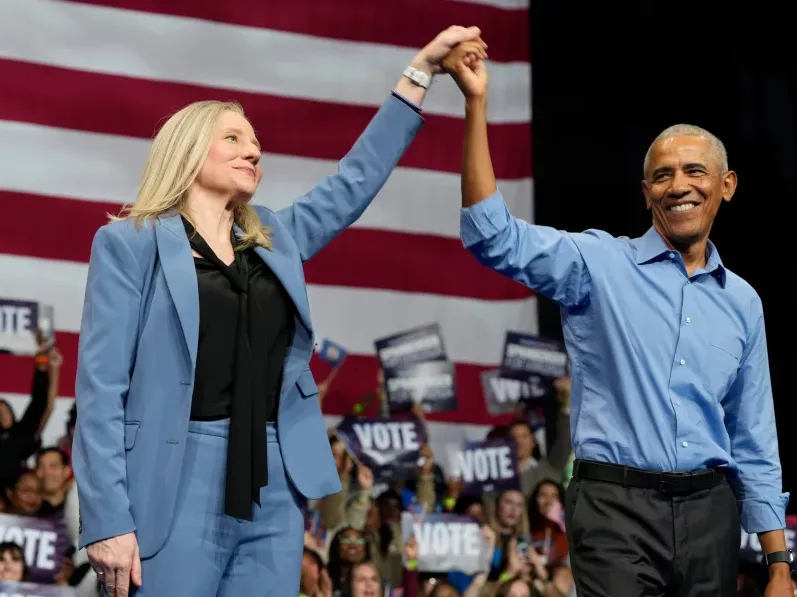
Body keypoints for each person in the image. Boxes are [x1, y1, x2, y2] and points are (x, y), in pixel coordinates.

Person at [72, 26, 488, 597]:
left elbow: (353, 182)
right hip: (171, 477)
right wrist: (107, 519)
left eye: (255, 142)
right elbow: (100, 389)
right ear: (187, 150)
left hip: (273, 481)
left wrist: (419, 74)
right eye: (233, 138)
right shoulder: (130, 244)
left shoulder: (276, 239)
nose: (254, 150)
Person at [443, 44, 792, 597]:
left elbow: (753, 437)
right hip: (614, 510)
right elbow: (492, 236)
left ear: (726, 186)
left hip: (710, 514)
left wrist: (778, 564)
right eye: (663, 175)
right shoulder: (598, 264)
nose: (679, 185)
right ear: (647, 193)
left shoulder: (743, 301)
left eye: (695, 171)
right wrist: (476, 104)